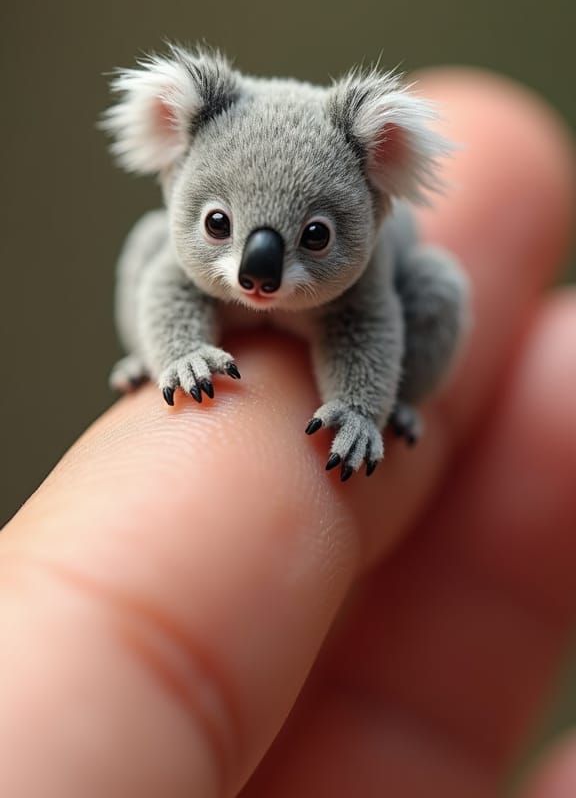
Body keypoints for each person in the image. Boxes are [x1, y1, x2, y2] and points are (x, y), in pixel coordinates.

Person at [0, 69, 575, 798]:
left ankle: (394, 406)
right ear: (175, 154)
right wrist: (178, 358)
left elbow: (367, 327)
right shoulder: (192, 258)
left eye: (314, 236)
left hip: (378, 348)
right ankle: (158, 355)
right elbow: (170, 283)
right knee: (156, 253)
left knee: (437, 292)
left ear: (379, 180)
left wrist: (362, 409)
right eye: (219, 224)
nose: (258, 271)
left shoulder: (360, 276)